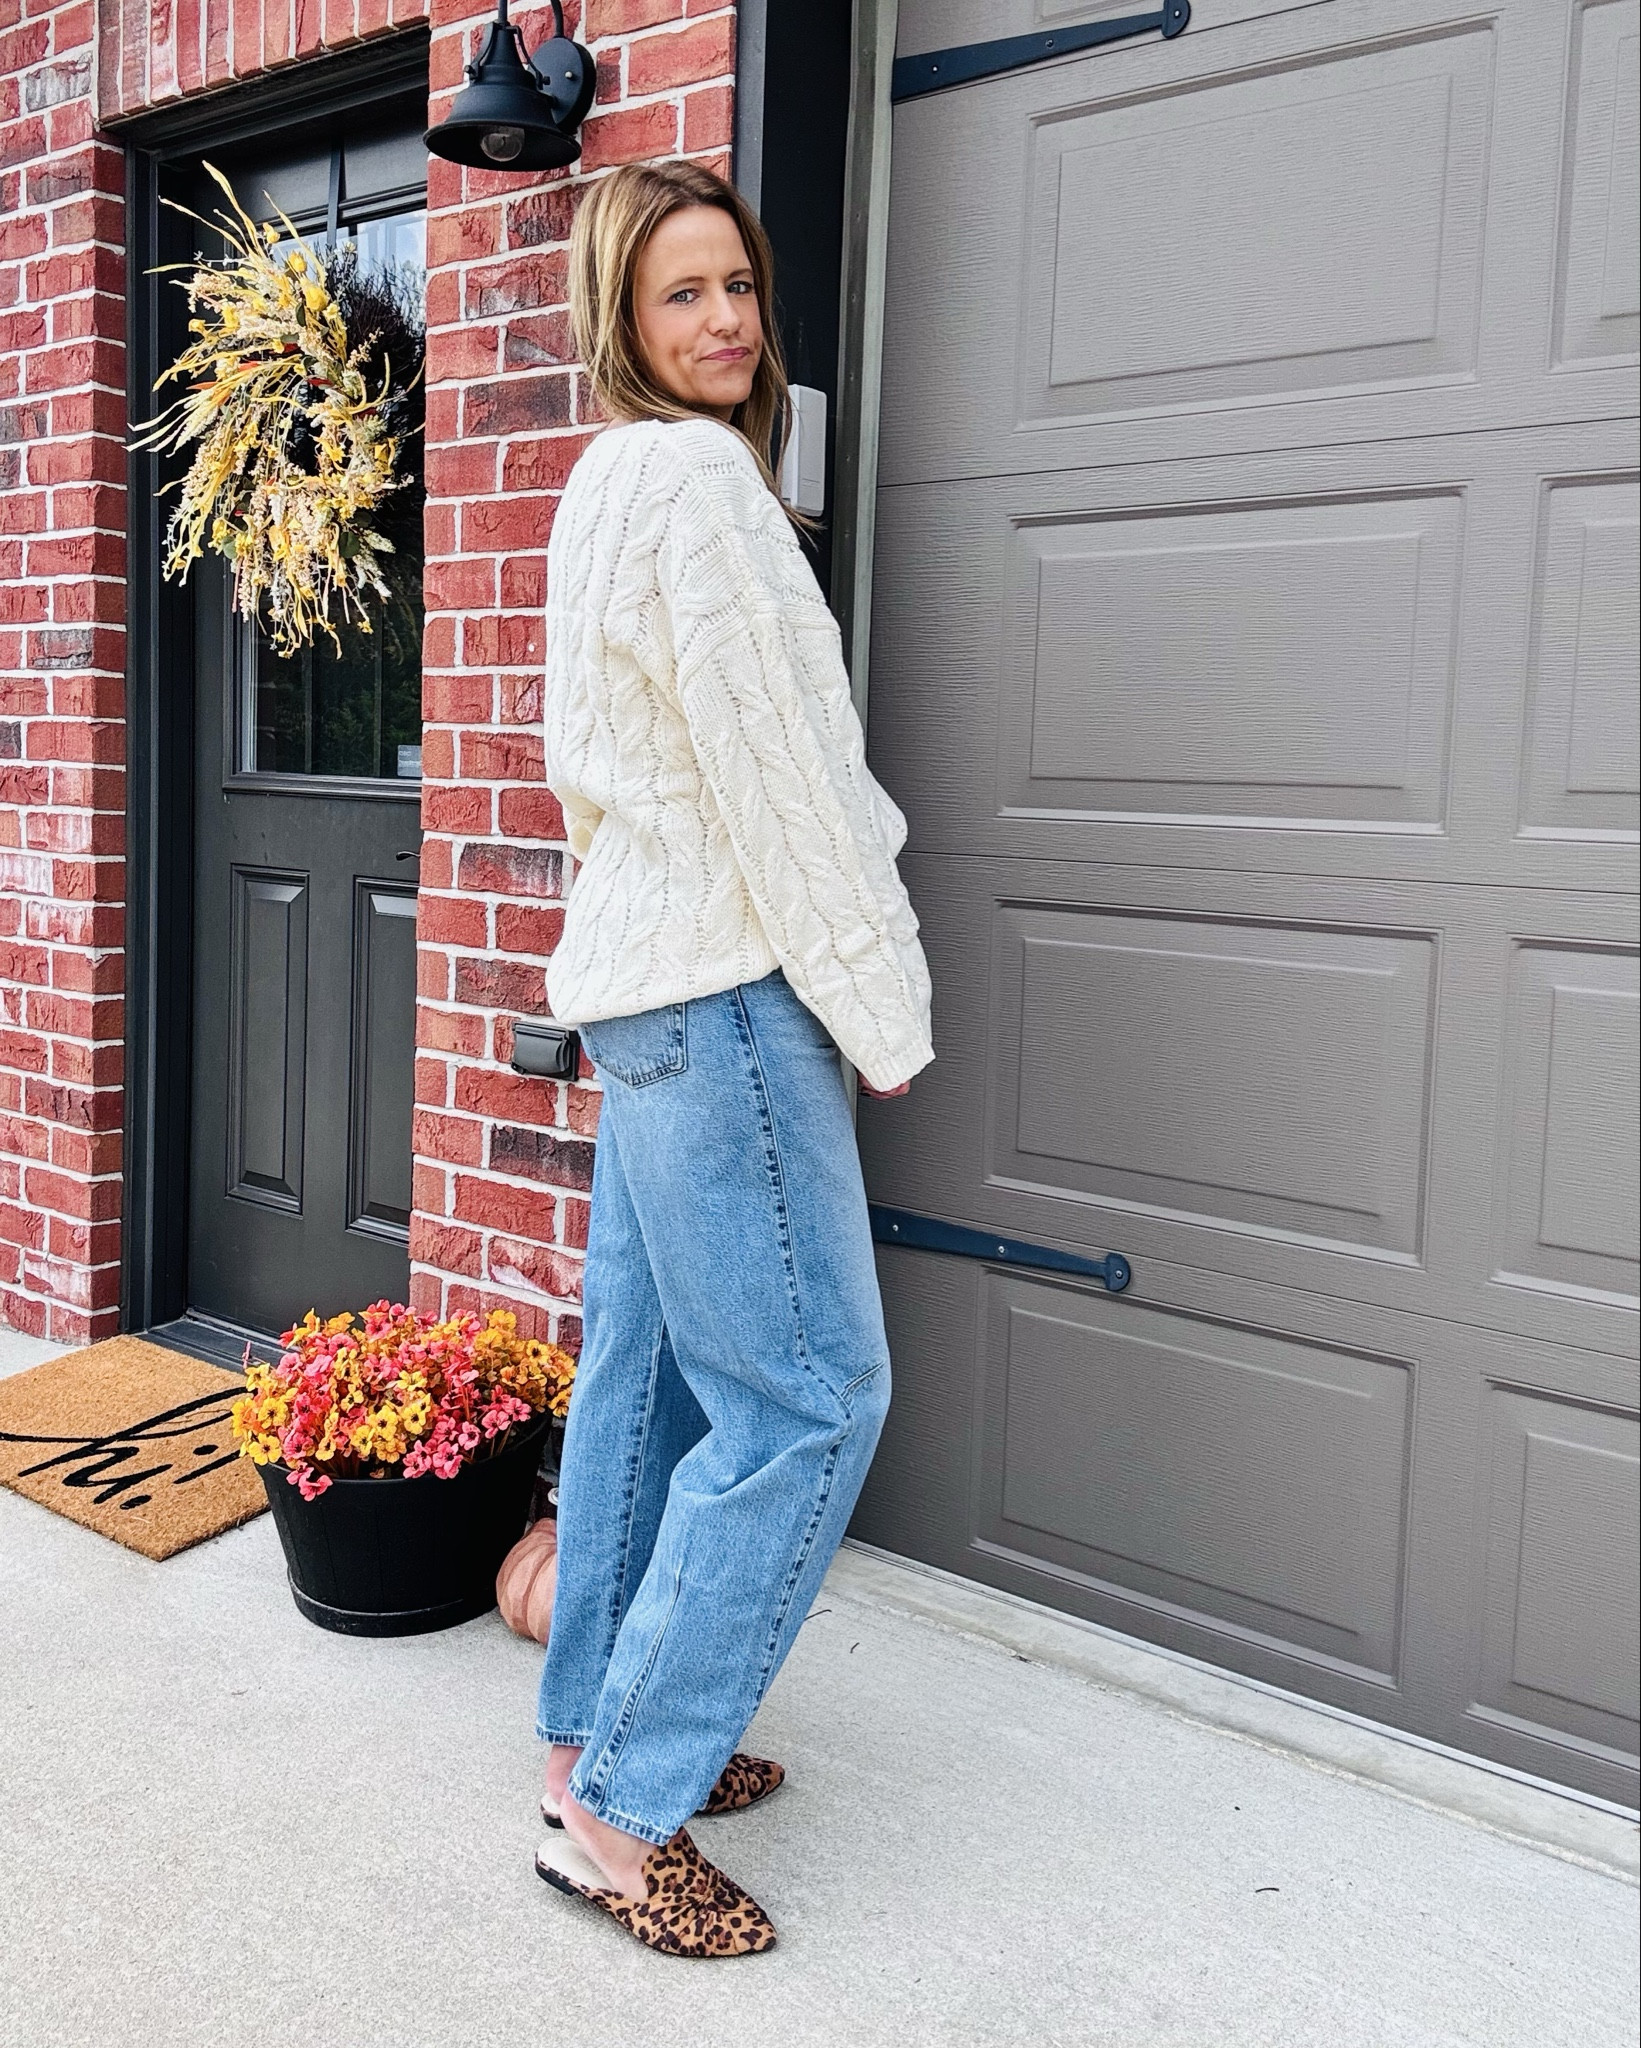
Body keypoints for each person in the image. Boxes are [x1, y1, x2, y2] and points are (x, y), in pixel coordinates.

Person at [531, 159, 934, 1960]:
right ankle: (623, 1817)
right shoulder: (698, 481)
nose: (723, 324)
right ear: (619, 315)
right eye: (680, 293)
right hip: (724, 983)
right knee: (809, 1396)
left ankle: (584, 1743)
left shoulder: (604, 483)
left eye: (739, 290)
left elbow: (602, 769)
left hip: (641, 987)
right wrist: (883, 1006)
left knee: (655, 1392)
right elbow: (787, 787)